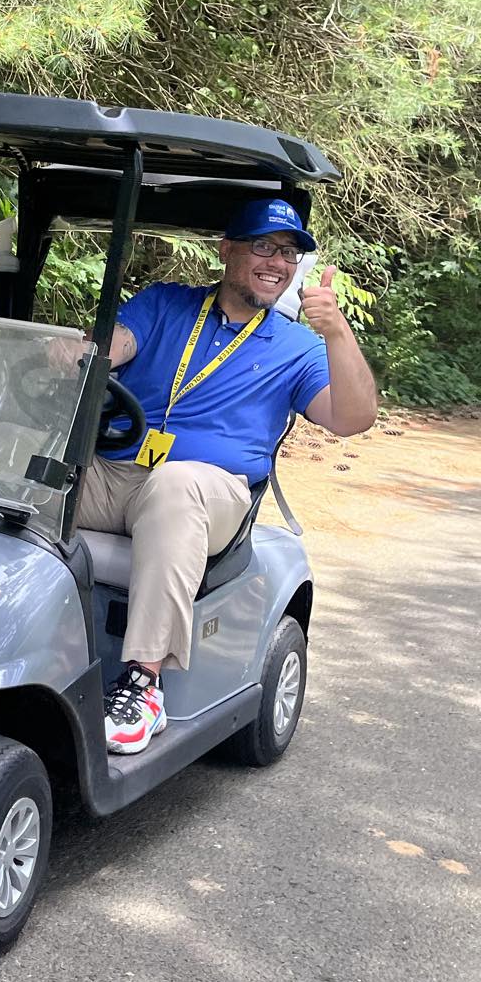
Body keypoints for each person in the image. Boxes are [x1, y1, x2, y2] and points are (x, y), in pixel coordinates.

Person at [76, 197, 378, 756]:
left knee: (177, 483)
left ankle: (143, 685)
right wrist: (75, 352)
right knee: (13, 459)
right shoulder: (166, 303)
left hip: (210, 493)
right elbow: (112, 347)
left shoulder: (296, 345)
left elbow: (353, 418)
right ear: (227, 251)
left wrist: (336, 332)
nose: (276, 262)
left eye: (288, 253)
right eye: (263, 246)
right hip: (117, 471)